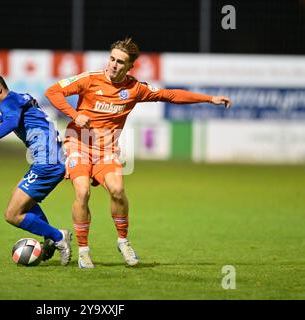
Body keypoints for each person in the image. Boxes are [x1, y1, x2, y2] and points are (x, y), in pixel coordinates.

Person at [45, 37, 231, 269]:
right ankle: (83, 250)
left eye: (120, 62)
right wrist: (74, 116)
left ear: (130, 66)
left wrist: (209, 99)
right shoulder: (89, 79)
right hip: (78, 145)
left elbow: (169, 95)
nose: (114, 65)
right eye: (112, 59)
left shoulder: (135, 89)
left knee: (118, 190)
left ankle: (123, 241)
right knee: (82, 193)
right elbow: (52, 92)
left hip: (106, 151)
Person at [0, 71, 72, 266]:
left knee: (12, 214)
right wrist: (1, 117)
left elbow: (13, 121)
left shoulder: (9, 103)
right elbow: (24, 115)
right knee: (22, 204)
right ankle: (50, 238)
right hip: (50, 160)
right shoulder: (19, 98)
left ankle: (58, 237)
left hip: (47, 163)